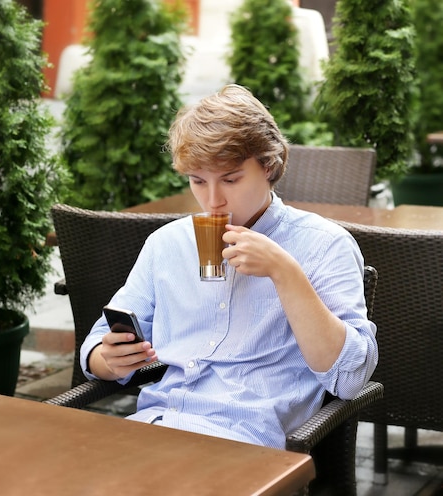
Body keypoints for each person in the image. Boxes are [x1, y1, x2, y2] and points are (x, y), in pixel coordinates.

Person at [80, 84, 378, 449]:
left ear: (269, 165)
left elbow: (350, 379)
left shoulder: (323, 244)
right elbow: (98, 342)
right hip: (156, 427)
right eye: (197, 181)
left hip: (247, 442)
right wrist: (107, 359)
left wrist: (284, 272)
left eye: (231, 179)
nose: (213, 200)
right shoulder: (168, 244)